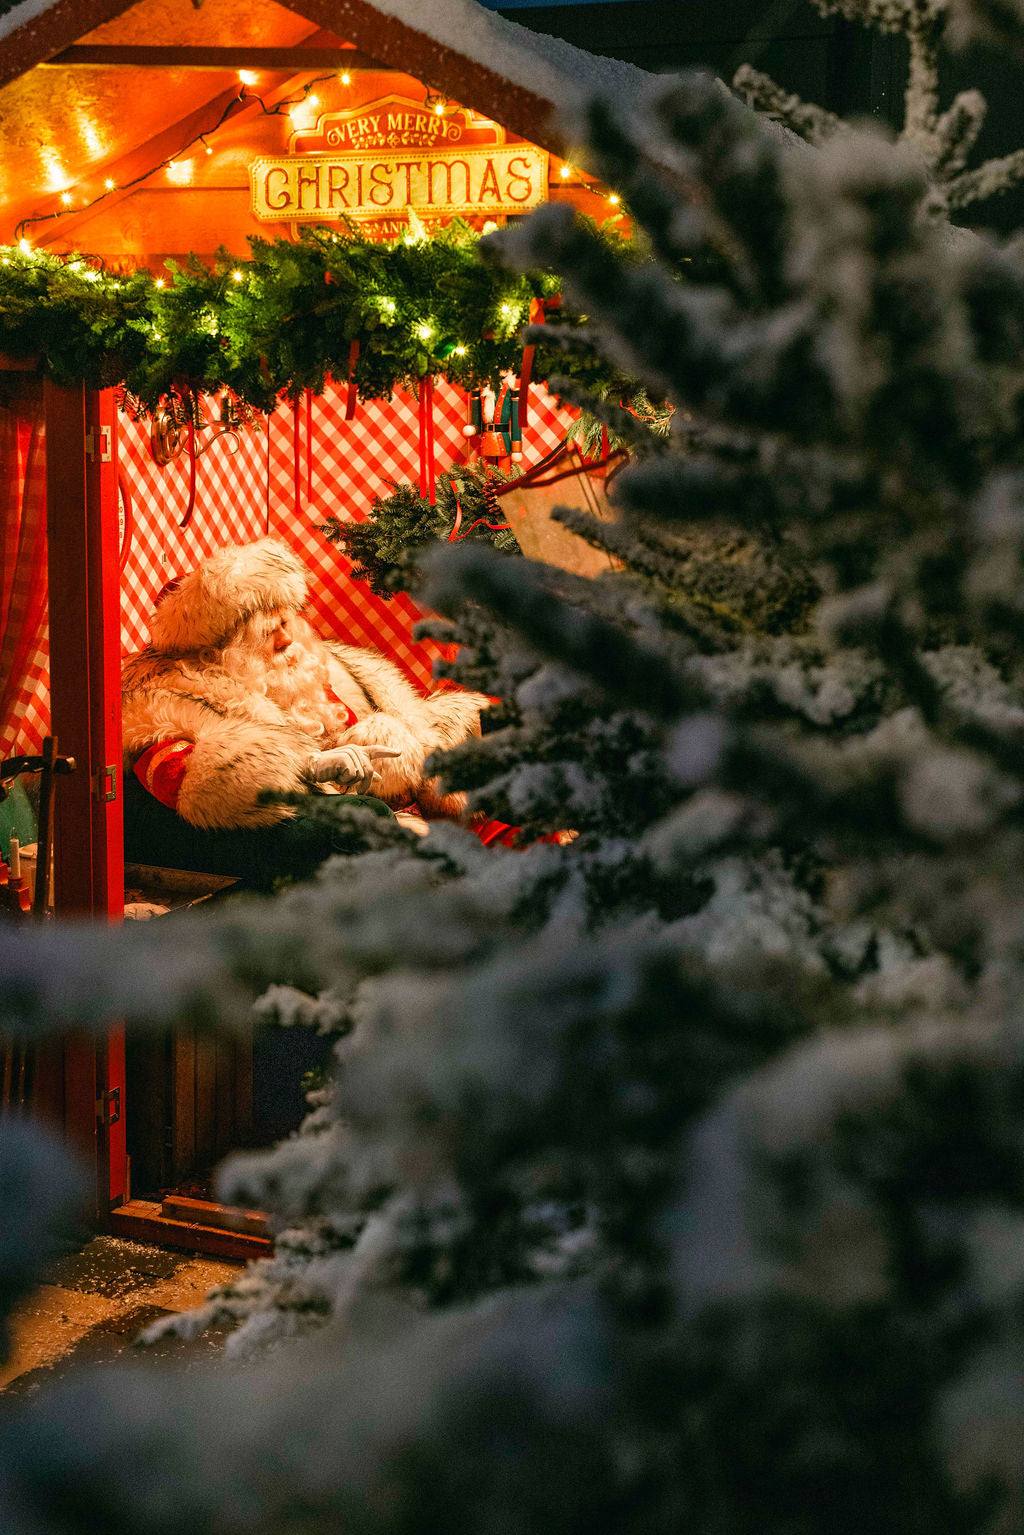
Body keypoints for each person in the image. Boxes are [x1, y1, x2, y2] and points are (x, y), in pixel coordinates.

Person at [120, 537, 490, 887]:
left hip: (408, 807)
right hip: (369, 823)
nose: (286, 639)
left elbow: (413, 726)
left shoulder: (319, 663)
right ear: (227, 647)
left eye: (286, 623)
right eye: (268, 632)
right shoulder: (174, 699)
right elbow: (184, 779)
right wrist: (306, 767)